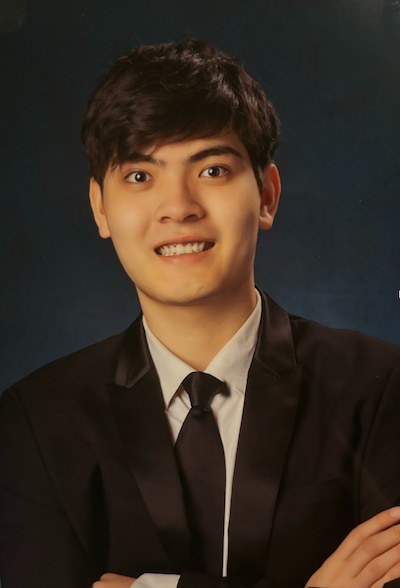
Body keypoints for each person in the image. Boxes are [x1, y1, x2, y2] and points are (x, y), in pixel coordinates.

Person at [1, 38, 400, 588]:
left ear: (266, 195)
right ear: (100, 208)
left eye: (212, 170)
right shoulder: (35, 420)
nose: (179, 206)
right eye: (140, 176)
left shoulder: (379, 389)